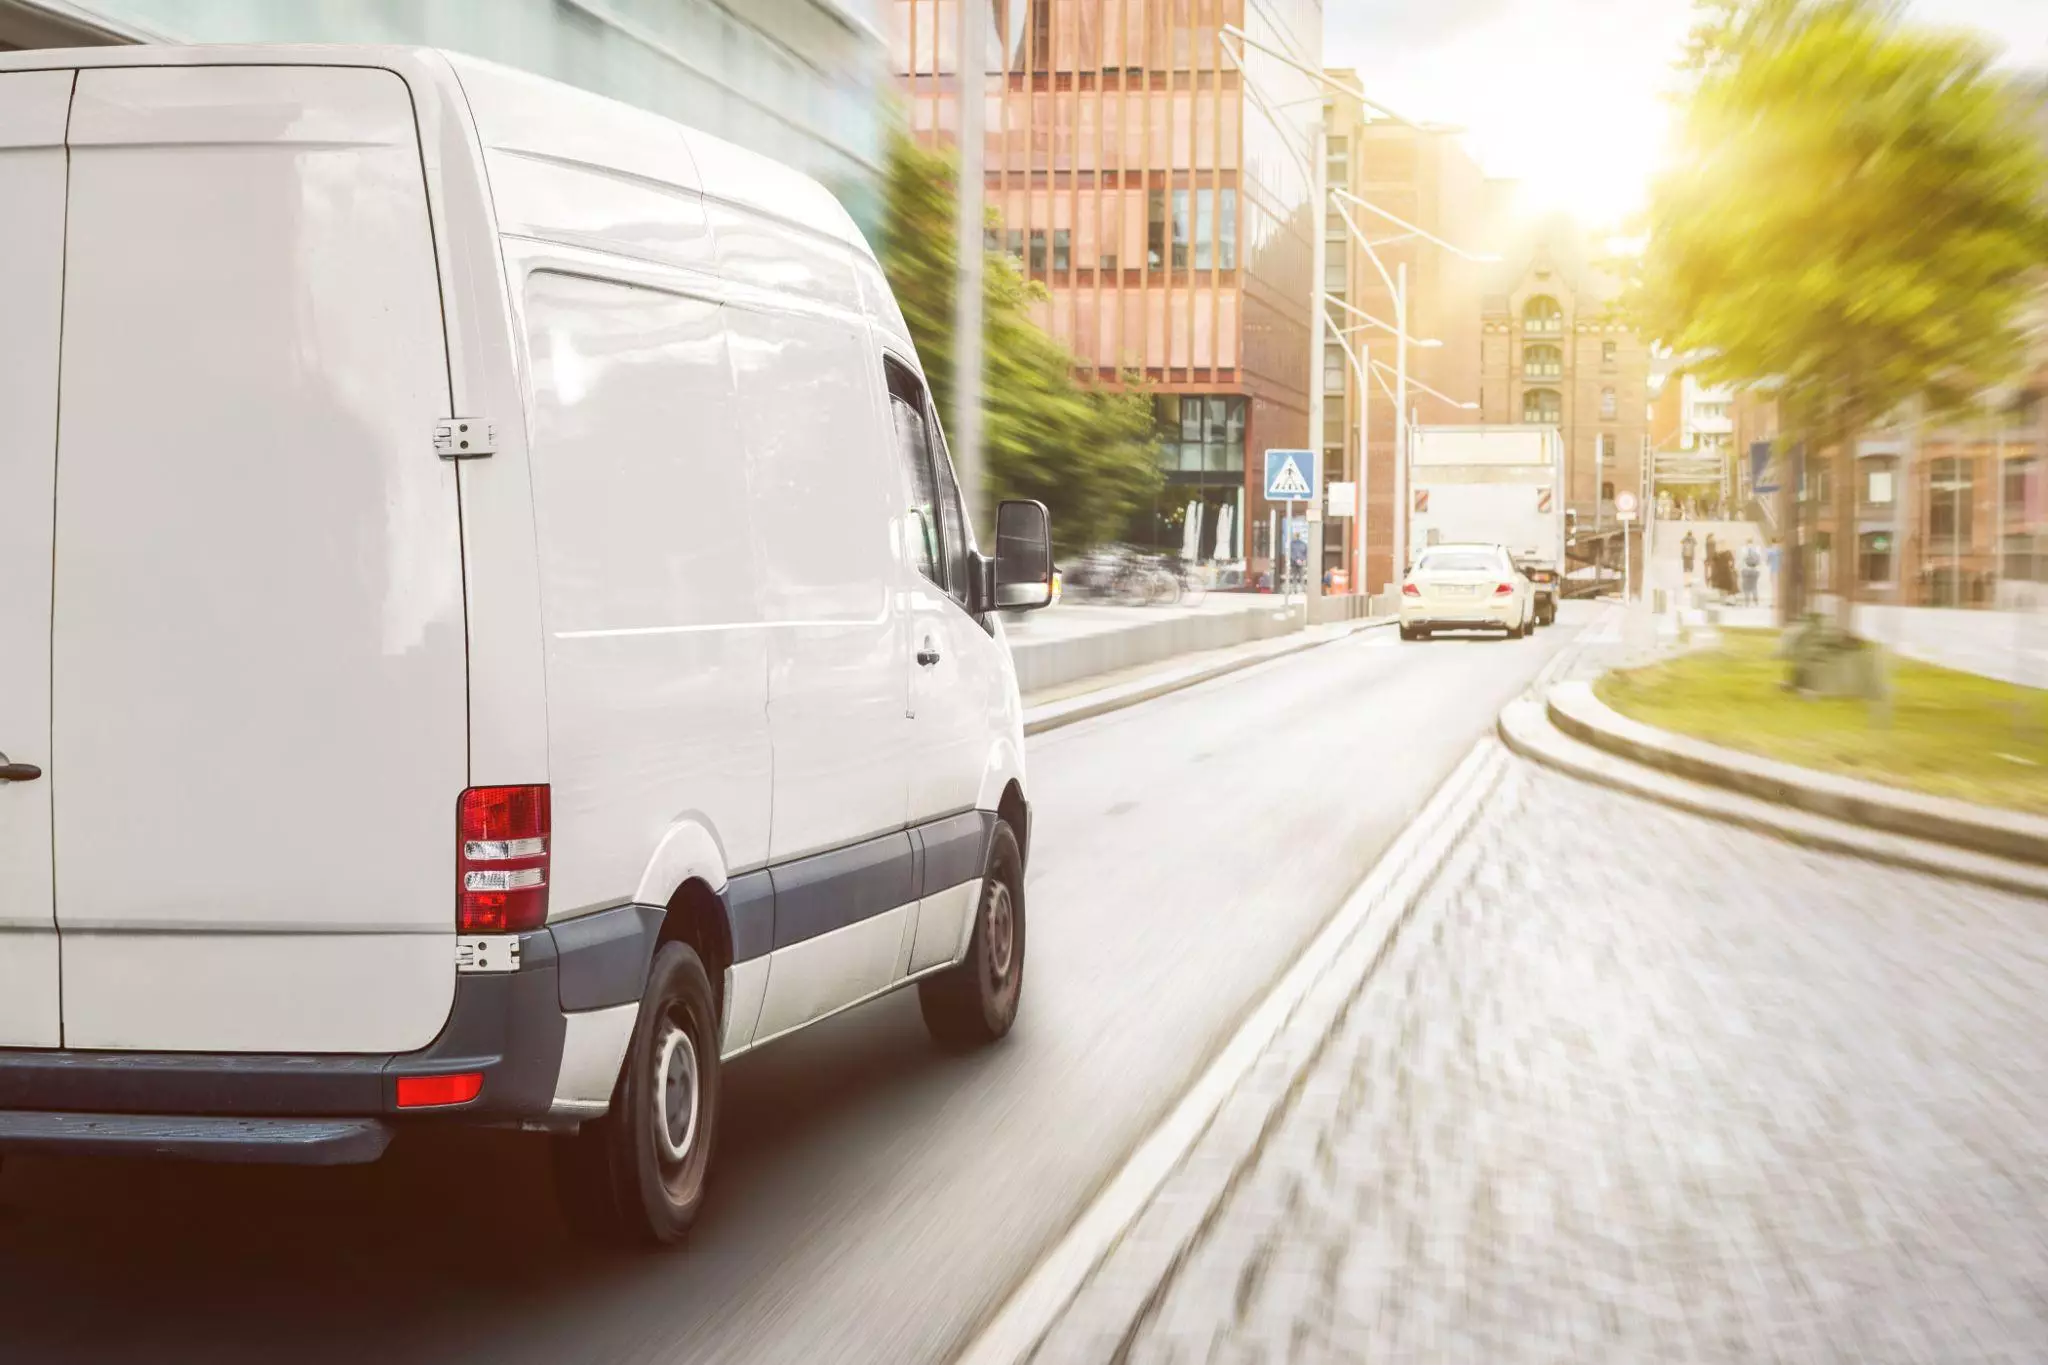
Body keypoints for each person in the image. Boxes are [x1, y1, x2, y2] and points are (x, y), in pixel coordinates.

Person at [1740, 539, 1762, 606]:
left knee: (1746, 588)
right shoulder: (1756, 550)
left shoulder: (1745, 550)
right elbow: (1759, 560)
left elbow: (1742, 560)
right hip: (1754, 570)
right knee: (1754, 587)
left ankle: (1747, 603)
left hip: (1747, 570)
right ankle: (1756, 602)